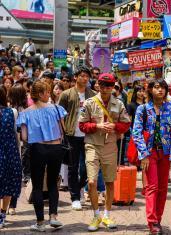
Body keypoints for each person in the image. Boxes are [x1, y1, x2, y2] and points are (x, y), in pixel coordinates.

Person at [78, 73, 130, 232]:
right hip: (92, 144)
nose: (106, 88)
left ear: (113, 86)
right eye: (103, 85)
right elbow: (82, 125)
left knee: (109, 181)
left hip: (110, 146)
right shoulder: (89, 103)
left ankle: (106, 214)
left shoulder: (119, 104)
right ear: (98, 86)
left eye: (110, 85)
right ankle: (96, 215)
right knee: (92, 181)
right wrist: (97, 127)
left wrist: (115, 127)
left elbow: (126, 124)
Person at [16, 80, 67, 232]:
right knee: (52, 182)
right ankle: (53, 217)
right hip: (56, 148)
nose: (49, 94)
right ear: (40, 94)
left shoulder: (25, 113)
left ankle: (40, 223)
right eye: (46, 92)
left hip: (37, 148)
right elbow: (63, 130)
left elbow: (24, 137)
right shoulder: (57, 109)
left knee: (37, 185)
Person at [132, 78, 171, 235]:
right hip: (149, 152)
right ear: (150, 90)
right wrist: (144, 155)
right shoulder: (143, 109)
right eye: (157, 87)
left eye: (163, 88)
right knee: (152, 186)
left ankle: (158, 219)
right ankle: (152, 222)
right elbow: (137, 132)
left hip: (165, 153)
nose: (160, 90)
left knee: (163, 188)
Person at [58, 66, 96, 211]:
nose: (85, 78)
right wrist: (62, 132)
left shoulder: (92, 94)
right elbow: (59, 114)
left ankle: (78, 187)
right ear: (76, 77)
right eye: (82, 76)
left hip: (89, 135)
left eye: (87, 76)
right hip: (71, 135)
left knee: (88, 167)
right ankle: (75, 197)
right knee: (73, 167)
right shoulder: (66, 94)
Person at [0, 85, 22, 229]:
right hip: (10, 152)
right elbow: (15, 135)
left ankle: (2, 214)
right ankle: (2, 214)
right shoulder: (11, 112)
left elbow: (16, 134)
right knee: (8, 184)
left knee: (7, 184)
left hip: (8, 151)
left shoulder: (12, 111)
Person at [7, 84, 29, 215]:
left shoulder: (10, 109)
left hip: (14, 145)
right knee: (15, 176)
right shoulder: (22, 110)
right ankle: (11, 205)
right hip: (20, 145)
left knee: (11, 176)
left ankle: (11, 205)